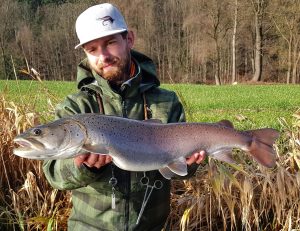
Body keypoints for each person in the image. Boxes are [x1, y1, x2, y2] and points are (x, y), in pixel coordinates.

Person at [43, 3, 205, 231]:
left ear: (129, 39)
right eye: (92, 50)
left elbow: (181, 172)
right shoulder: (76, 107)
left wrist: (191, 163)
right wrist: (82, 167)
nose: (103, 56)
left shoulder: (166, 102)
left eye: (110, 43)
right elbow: (54, 175)